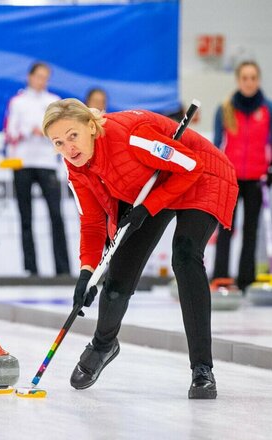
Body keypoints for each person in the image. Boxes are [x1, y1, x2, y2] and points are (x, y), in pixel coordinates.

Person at [43, 98, 237, 399]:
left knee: (185, 254)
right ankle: (103, 344)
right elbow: (92, 225)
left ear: (91, 127)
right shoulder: (76, 167)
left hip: (202, 175)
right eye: (58, 142)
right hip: (151, 182)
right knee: (119, 273)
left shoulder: (131, 137)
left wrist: (149, 207)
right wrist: (86, 273)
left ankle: (202, 369)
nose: (69, 147)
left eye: (73, 135)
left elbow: (191, 165)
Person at [4, 62, 70, 277]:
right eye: (38, 76)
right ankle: (30, 268)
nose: (41, 80)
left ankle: (63, 269)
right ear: (30, 76)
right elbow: (9, 131)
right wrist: (28, 130)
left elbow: (63, 131)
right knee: (26, 216)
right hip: (22, 162)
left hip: (47, 162)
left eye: (45, 77)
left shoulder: (54, 102)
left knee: (55, 215)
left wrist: (47, 132)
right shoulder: (18, 102)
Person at [212, 60, 272, 290]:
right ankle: (221, 276)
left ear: (258, 80)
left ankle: (246, 279)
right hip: (231, 178)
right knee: (226, 228)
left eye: (253, 78)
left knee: (251, 229)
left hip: (257, 179)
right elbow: (217, 144)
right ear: (238, 80)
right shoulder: (225, 108)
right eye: (245, 78)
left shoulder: (267, 109)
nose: (249, 82)